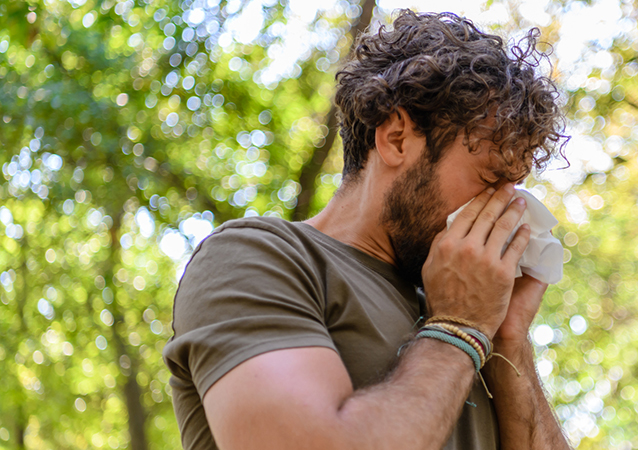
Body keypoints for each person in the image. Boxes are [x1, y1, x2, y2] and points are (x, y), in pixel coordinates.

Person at [163, 9, 569, 450]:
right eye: (489, 180)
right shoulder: (256, 257)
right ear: (396, 139)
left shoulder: (464, 309)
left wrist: (507, 338)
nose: (507, 210)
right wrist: (457, 328)